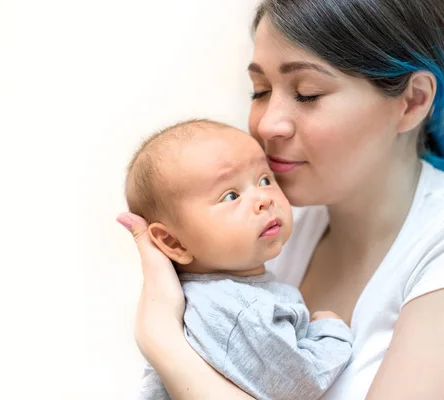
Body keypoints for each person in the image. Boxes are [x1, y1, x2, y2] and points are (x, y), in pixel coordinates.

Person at [117, 0, 444, 399]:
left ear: (412, 101)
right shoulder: (271, 230)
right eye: (261, 90)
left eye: (307, 94)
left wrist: (164, 344)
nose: (268, 124)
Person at [125, 120, 352, 400]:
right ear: (173, 242)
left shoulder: (217, 295)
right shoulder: (236, 309)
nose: (263, 199)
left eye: (265, 180)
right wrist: (330, 331)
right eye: (230, 195)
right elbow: (300, 383)